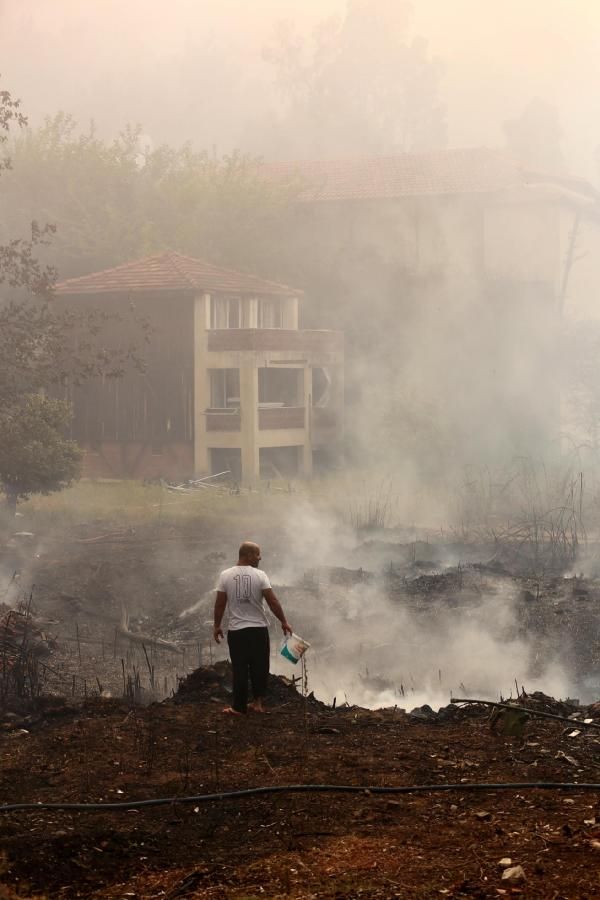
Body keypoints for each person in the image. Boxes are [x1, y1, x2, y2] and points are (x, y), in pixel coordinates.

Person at [213, 541, 292, 715]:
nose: (260, 557)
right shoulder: (260, 575)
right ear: (247, 555)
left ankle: (239, 708)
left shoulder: (225, 575)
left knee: (240, 668)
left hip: (237, 631)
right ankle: (257, 703)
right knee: (260, 666)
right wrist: (283, 621)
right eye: (257, 554)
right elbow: (272, 601)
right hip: (258, 630)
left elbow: (220, 604)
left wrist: (217, 626)